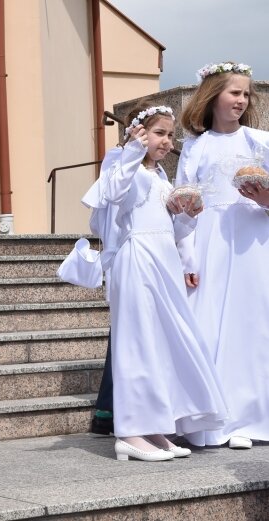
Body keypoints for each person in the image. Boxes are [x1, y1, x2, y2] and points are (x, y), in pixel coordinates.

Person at [82, 101, 228, 462]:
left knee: (160, 345)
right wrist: (131, 149)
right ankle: (130, 431)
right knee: (137, 342)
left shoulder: (161, 175)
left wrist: (189, 216)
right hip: (137, 259)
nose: (167, 142)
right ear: (140, 133)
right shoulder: (120, 162)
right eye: (160, 134)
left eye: (170, 135)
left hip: (163, 261)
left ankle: (154, 427)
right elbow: (109, 196)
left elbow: (170, 228)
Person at [175, 61, 269, 450]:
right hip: (211, 239)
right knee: (209, 322)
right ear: (213, 95)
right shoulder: (196, 147)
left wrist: (266, 198)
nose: (241, 100)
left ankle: (251, 419)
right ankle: (214, 420)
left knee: (251, 323)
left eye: (246, 94)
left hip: (253, 239)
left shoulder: (261, 141)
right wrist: (186, 258)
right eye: (235, 92)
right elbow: (181, 201)